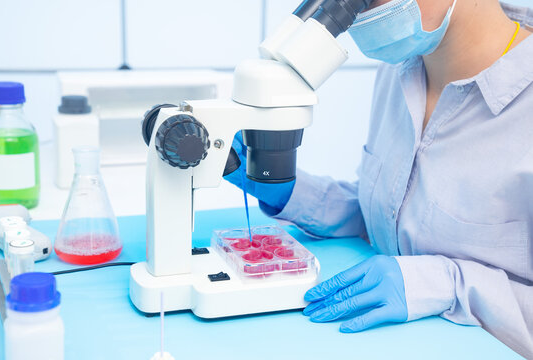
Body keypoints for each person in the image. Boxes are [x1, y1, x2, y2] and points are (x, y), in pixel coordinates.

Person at [225, 0, 533, 358]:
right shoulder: (402, 70)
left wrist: (447, 285)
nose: (362, 12)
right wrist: (293, 193)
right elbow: (401, 217)